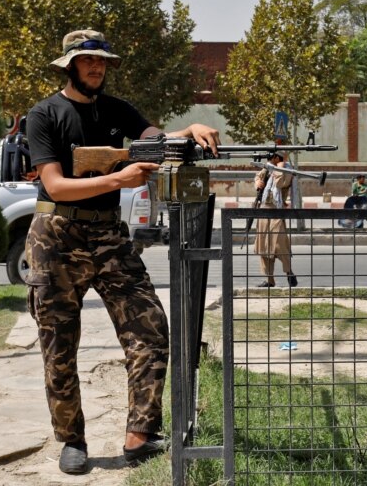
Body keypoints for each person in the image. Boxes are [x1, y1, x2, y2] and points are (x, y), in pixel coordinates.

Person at [25, 29, 221, 475]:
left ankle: (140, 435)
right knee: (59, 345)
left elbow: (157, 137)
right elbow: (54, 184)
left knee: (151, 329)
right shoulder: (45, 115)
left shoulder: (119, 111)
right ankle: (72, 440)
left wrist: (189, 129)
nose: (97, 68)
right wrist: (118, 179)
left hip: (110, 235)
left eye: (102, 62)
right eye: (88, 61)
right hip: (55, 237)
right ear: (70, 65)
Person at [254, 152, 297, 288]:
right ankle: (269, 279)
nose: (269, 160)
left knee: (279, 245)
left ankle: (289, 272)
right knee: (263, 246)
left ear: (278, 158)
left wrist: (280, 167)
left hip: (277, 211)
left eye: (272, 158)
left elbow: (279, 183)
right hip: (264, 210)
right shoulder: (267, 169)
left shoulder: (287, 170)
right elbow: (258, 177)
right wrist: (258, 183)